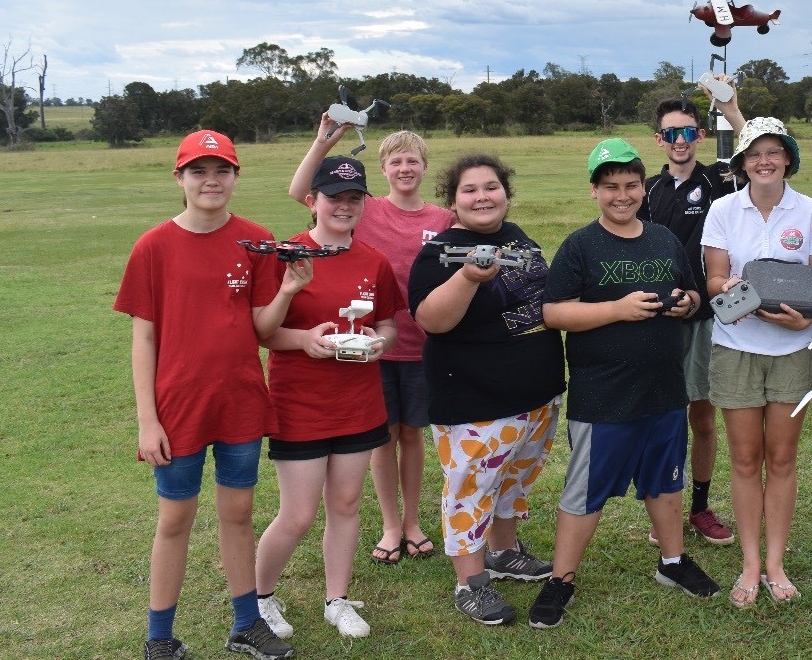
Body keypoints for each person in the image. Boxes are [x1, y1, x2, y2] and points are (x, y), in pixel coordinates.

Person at [114, 130, 294, 660]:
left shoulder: (255, 241)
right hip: (178, 408)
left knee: (238, 514)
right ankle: (160, 638)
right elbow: (144, 338)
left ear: (236, 176)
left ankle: (245, 624)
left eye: (222, 171)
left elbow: (262, 329)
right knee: (175, 520)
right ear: (180, 178)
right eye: (199, 171)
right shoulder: (153, 246)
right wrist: (148, 420)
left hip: (238, 401)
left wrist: (286, 290)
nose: (211, 181)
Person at [528, 138, 718, 629]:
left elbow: (694, 293)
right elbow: (553, 312)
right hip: (603, 395)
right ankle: (561, 579)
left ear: (643, 188)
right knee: (585, 491)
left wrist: (686, 304)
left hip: (664, 389)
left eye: (631, 185)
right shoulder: (580, 245)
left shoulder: (663, 238)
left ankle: (672, 563)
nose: (622, 195)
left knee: (665, 482)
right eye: (610, 186)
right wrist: (617, 309)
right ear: (594, 191)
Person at [406, 154, 565, 626]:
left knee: (513, 480)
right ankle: (470, 583)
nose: (482, 197)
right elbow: (432, 321)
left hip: (535, 393)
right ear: (452, 201)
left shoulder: (519, 238)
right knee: (471, 487)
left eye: (490, 187)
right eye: (470, 190)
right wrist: (469, 277)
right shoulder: (440, 252)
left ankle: (503, 552)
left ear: (506, 193)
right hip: (475, 398)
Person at [290, 118, 455, 565]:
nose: (405, 168)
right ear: (383, 169)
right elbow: (300, 190)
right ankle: (388, 524)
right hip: (368, 348)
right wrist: (324, 142)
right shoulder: (365, 208)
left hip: (422, 346)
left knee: (413, 435)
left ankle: (413, 522)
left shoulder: (443, 218)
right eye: (396, 161)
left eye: (413, 161)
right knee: (382, 439)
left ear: (424, 167)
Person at [253, 156, 402, 642]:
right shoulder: (285, 254)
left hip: (358, 401)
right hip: (300, 402)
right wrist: (305, 341)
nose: (343, 206)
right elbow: (263, 332)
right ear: (312, 200)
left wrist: (380, 343)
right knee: (297, 514)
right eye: (333, 197)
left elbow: (386, 324)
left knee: (346, 501)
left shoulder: (373, 260)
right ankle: (260, 598)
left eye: (353, 198)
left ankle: (336, 599)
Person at [701, 117, 812, 608]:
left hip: (793, 353)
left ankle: (776, 563)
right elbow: (714, 277)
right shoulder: (722, 210)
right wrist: (730, 287)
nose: (764, 161)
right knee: (744, 459)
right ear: (742, 162)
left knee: (781, 459)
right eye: (754, 153)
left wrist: (804, 325)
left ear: (788, 159)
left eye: (774, 152)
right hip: (736, 347)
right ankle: (750, 564)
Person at [637, 79, 746, 546]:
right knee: (661, 418)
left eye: (687, 133)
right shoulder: (645, 189)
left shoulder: (720, 180)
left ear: (700, 136)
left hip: (705, 320)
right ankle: (666, 508)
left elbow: (759, 156)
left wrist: (733, 109)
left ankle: (700, 507)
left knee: (701, 418)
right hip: (653, 320)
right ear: (659, 140)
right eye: (670, 135)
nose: (679, 142)